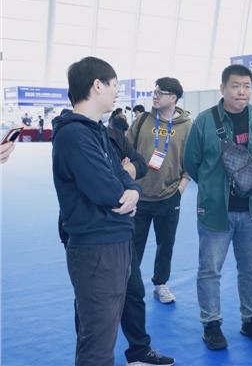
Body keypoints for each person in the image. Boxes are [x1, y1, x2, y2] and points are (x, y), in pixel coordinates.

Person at [52, 56, 140, 366]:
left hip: (112, 242)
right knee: (98, 342)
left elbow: (122, 175)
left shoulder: (97, 131)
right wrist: (126, 191)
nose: (117, 92)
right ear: (97, 85)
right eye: (114, 85)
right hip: (97, 248)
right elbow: (107, 190)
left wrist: (133, 190)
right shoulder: (74, 135)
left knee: (100, 332)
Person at [183, 64, 252, 351]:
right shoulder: (204, 122)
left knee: (251, 269)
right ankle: (211, 324)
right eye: (236, 86)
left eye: (247, 86)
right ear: (223, 88)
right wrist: (213, 189)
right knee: (210, 270)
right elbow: (191, 163)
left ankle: (251, 319)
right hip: (216, 211)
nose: (241, 92)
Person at [127, 77, 192, 304]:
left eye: (160, 93)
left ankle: (161, 284)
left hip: (169, 196)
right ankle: (129, 285)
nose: (154, 96)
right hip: (138, 195)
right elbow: (126, 150)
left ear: (173, 98)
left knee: (166, 244)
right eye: (154, 92)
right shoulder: (142, 120)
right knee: (134, 244)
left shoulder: (187, 126)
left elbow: (191, 161)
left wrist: (180, 189)